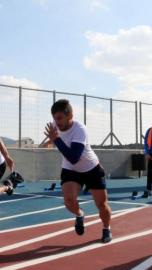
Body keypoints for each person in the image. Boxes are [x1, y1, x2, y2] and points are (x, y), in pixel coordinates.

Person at [44, 99, 113, 243]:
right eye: (54, 119)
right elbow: (66, 155)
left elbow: (74, 157)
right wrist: (49, 142)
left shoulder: (79, 129)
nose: (57, 123)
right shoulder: (55, 127)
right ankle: (80, 214)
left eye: (60, 118)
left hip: (91, 168)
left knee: (102, 205)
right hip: (70, 170)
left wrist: (56, 140)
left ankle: (106, 228)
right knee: (69, 200)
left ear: (70, 115)